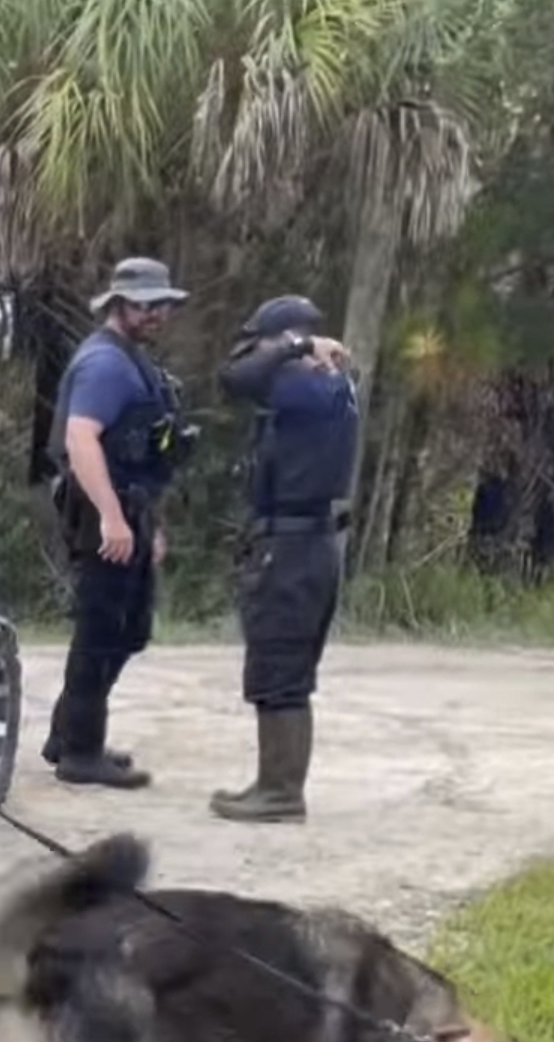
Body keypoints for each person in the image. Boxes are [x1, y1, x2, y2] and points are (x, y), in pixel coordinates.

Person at [42, 257, 193, 791]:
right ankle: (80, 752)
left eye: (161, 305)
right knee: (101, 632)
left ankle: (70, 734)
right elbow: (81, 440)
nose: (156, 314)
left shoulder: (132, 361)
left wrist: (146, 524)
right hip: (103, 511)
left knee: (125, 630)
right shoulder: (105, 364)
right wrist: (110, 517)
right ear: (117, 305)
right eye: (145, 305)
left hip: (129, 506)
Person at [210, 294, 361, 824]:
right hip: (311, 543)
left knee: (278, 667)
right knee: (289, 670)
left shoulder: (301, 383)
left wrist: (294, 346)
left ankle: (280, 792)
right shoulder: (332, 387)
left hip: (292, 548)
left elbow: (233, 378)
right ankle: (276, 785)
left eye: (264, 344)